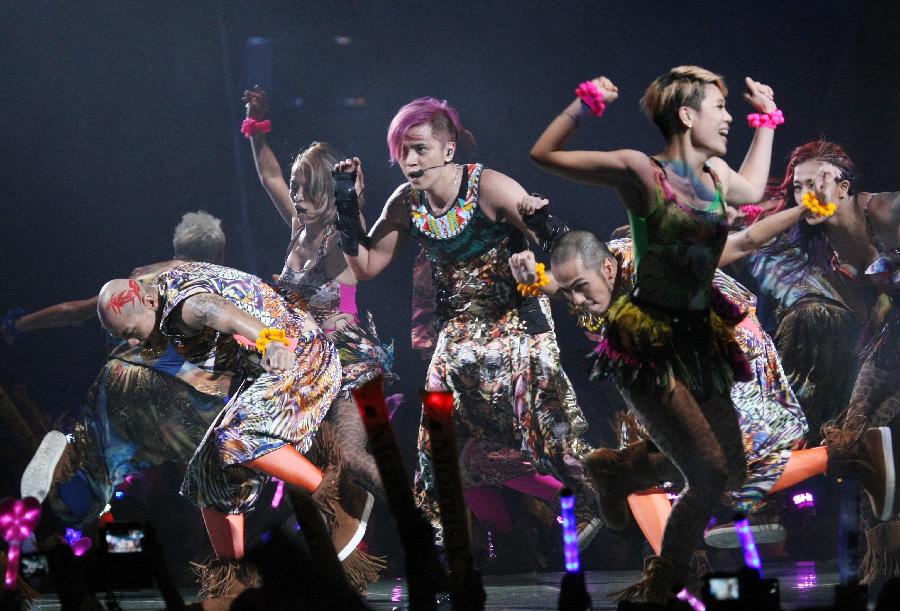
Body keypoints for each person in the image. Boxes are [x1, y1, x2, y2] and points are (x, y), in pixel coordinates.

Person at [527, 66, 779, 601]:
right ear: (687, 115)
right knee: (708, 475)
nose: (728, 117)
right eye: (720, 108)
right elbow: (544, 155)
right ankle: (661, 587)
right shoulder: (642, 172)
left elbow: (755, 188)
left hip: (698, 337)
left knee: (733, 469)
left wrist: (767, 118)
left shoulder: (714, 174)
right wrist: (584, 103)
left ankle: (621, 474)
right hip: (647, 342)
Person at [511, 227, 895, 557]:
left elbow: (737, 249)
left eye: (580, 289)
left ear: (609, 268)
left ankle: (853, 454)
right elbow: (567, 282)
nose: (577, 301)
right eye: (569, 292)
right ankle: (673, 569)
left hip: (729, 355)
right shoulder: (595, 278)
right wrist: (535, 277)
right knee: (628, 472)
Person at [333, 96, 600, 553]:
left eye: (419, 148)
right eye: (402, 152)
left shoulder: (489, 186)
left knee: (549, 433)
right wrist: (346, 203)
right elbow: (365, 265)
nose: (410, 161)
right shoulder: (405, 202)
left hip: (517, 326)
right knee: (444, 448)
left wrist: (543, 230)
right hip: (458, 337)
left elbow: (559, 247)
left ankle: (601, 500)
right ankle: (458, 550)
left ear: (449, 150)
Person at [95, 262, 374, 608]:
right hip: (265, 374)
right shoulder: (150, 287)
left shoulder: (187, 307)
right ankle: (234, 583)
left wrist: (269, 340)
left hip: (300, 358)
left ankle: (342, 500)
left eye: (131, 331)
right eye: (124, 337)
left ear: (149, 304)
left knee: (235, 436)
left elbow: (219, 310)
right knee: (205, 473)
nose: (134, 341)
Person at [759, 140, 900, 583]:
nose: (808, 194)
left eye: (818, 182)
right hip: (888, 335)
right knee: (858, 434)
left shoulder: (885, 211)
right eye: (799, 187)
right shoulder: (818, 241)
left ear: (843, 186)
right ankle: (883, 560)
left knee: (871, 428)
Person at [242, 86, 395, 494]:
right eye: (297, 187)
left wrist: (350, 199)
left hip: (347, 365)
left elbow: (356, 250)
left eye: (309, 189)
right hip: (304, 363)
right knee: (307, 463)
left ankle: (421, 513)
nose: (298, 197)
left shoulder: (337, 236)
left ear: (328, 191)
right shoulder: (298, 226)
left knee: (349, 456)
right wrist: (256, 126)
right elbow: (269, 176)